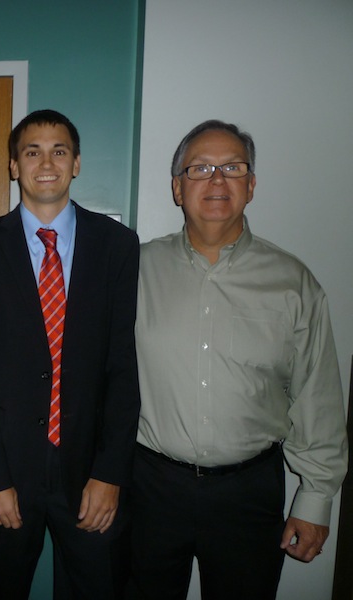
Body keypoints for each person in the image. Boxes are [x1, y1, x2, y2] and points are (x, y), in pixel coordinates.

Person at [130, 119, 348, 599]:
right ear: (176, 187)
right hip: (151, 490)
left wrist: (315, 499)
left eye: (232, 167)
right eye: (200, 168)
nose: (216, 180)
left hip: (249, 495)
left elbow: (319, 396)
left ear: (251, 185)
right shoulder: (133, 271)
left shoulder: (293, 283)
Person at [0, 109, 141, 598]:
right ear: (14, 166)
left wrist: (110, 472)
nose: (46, 162)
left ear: (76, 163)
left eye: (59, 151)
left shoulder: (118, 245)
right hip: (7, 473)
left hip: (91, 474)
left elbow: (123, 368)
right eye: (32, 151)